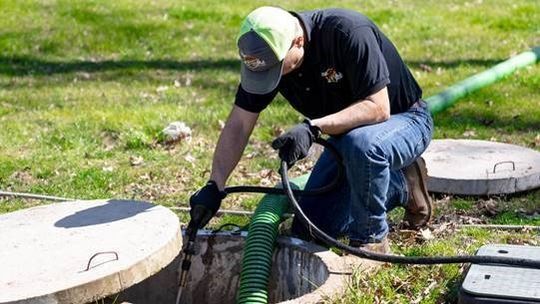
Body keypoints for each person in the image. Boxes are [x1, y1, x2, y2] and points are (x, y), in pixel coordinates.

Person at [189, 6, 433, 253]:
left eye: (276, 69)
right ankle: (401, 185)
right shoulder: (269, 59)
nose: (271, 77)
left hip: (405, 120)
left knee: (362, 144)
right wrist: (215, 184)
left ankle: (371, 240)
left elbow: (378, 108)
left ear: (298, 41)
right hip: (347, 136)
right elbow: (240, 123)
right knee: (310, 229)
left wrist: (313, 127)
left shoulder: (346, 32)